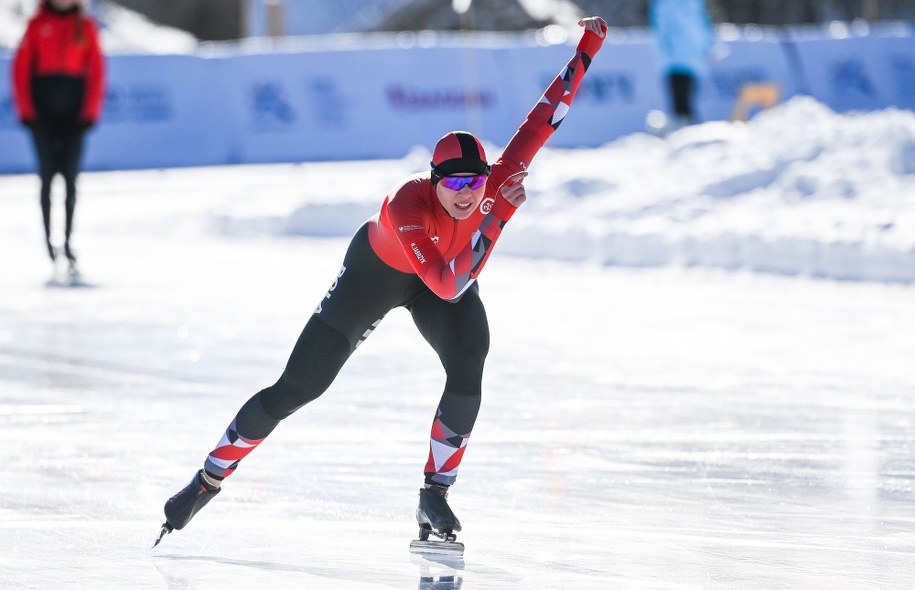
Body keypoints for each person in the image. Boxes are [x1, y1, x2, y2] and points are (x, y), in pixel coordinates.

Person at [156, 16, 608, 549]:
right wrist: (499, 218)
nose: (467, 193)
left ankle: (435, 492)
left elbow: (544, 117)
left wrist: (588, 45)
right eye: (455, 183)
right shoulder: (406, 206)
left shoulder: (495, 181)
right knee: (300, 387)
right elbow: (443, 283)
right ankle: (207, 479)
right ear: (434, 182)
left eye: (476, 180)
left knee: (470, 360)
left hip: (446, 273)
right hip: (378, 274)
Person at [11, 0, 105, 275]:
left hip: (74, 117)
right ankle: (49, 244)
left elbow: (97, 71)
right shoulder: (38, 25)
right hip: (43, 116)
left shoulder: (85, 26)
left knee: (71, 180)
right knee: (47, 178)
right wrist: (27, 111)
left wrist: (90, 112)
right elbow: (21, 69)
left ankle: (68, 241)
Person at [649, 0, 713, 130]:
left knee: (682, 107)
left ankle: (686, 138)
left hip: (675, 61)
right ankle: (689, 136)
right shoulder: (694, 4)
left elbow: (661, 29)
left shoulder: (664, 5)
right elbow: (705, 28)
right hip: (691, 60)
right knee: (686, 105)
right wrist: (705, 49)